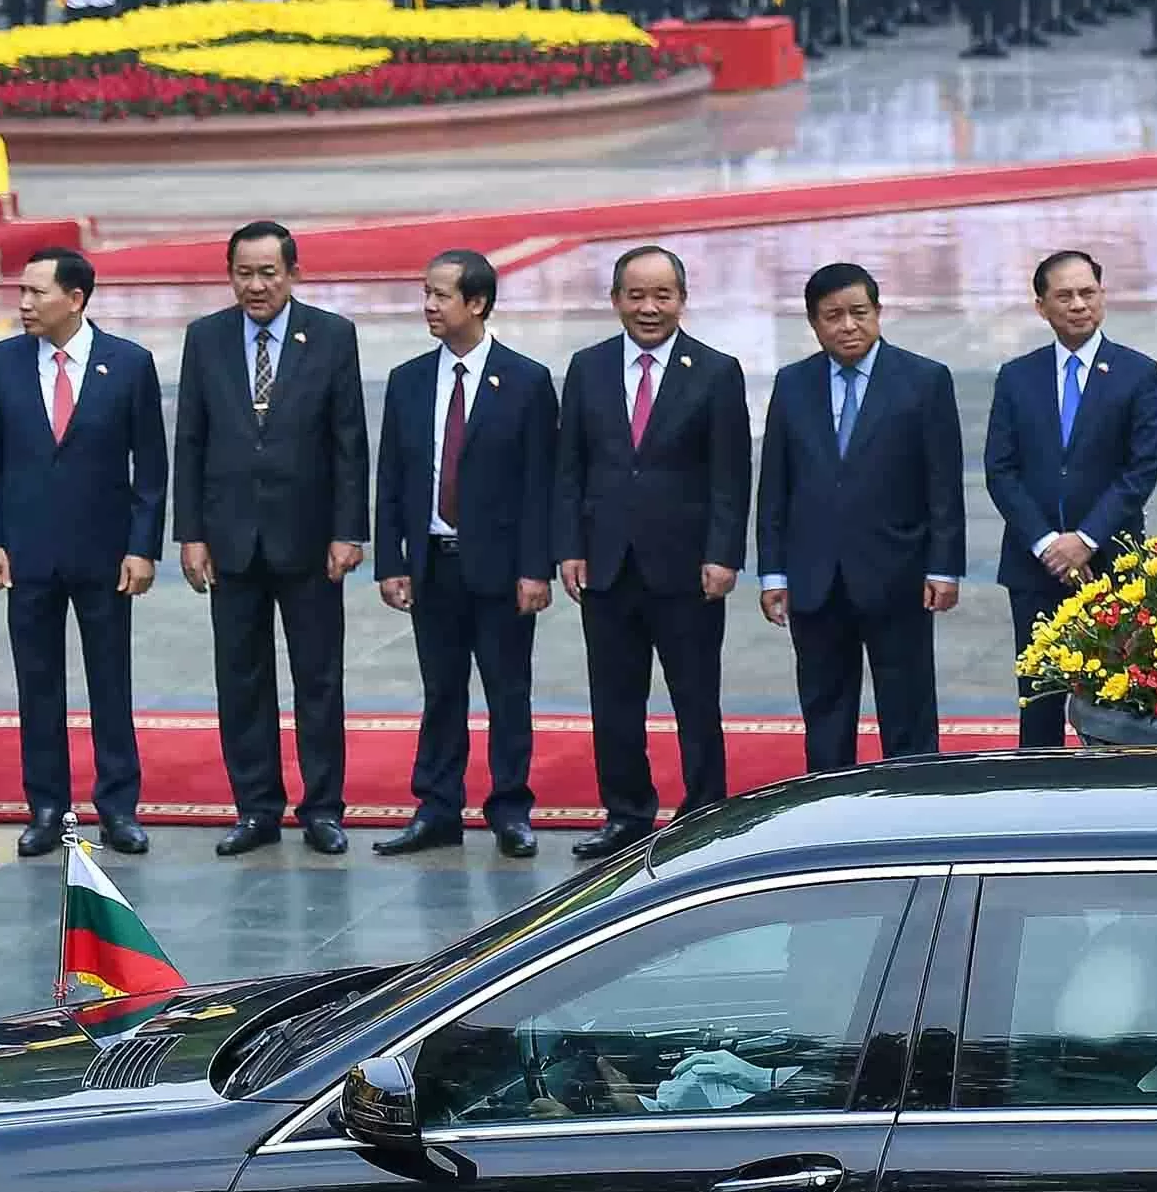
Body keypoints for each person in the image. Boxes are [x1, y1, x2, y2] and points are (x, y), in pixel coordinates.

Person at [176, 220, 368, 857]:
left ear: (293, 273)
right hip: (230, 539)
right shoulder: (206, 339)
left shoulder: (333, 336)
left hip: (310, 540)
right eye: (243, 273)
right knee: (241, 678)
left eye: (268, 273)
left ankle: (323, 809)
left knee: (319, 678)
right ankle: (256, 808)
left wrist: (348, 529)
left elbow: (348, 442)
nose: (255, 286)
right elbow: (192, 441)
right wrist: (191, 534)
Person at [554, 245, 749, 860]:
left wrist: (724, 555)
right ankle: (626, 813)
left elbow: (730, 475)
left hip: (686, 567)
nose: (649, 307)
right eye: (636, 295)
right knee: (613, 698)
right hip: (607, 563)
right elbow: (570, 469)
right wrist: (570, 548)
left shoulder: (717, 372)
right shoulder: (587, 368)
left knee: (695, 695)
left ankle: (705, 809)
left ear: (682, 299)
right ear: (615, 300)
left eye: (662, 295)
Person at [0, 246, 164, 858]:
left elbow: (151, 471)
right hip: (28, 555)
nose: (24, 304)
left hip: (105, 556)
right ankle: (48, 806)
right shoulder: (2, 364)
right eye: (21, 293)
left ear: (75, 299)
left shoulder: (128, 365)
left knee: (111, 683)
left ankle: (118, 807)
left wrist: (142, 548)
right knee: (38, 684)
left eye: (36, 293)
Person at [373, 249, 560, 858]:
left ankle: (510, 808)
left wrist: (538, 567)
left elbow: (541, 484)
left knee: (508, 690)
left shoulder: (527, 381)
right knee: (441, 690)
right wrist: (391, 561)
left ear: (476, 303)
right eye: (425, 293)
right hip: (432, 563)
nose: (428, 305)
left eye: (441, 295)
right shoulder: (407, 381)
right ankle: (437, 807)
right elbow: (393, 478)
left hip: (502, 569)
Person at [758, 262, 966, 773]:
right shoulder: (793, 384)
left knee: (908, 708)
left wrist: (944, 566)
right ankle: (828, 816)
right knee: (825, 709)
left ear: (878, 313)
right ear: (814, 323)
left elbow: (943, 484)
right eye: (833, 316)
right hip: (815, 578)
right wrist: (773, 572)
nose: (847, 326)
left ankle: (914, 807)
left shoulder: (924, 381)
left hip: (898, 573)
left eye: (858, 313)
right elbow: (775, 487)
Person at [986, 251, 1157, 750]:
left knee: (1116, 697)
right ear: (1041, 306)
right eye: (1064, 296)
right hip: (1034, 567)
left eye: (1088, 293)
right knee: (1039, 696)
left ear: (1103, 296)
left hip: (1111, 563)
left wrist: (1085, 540)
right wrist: (1048, 544)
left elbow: (1140, 472)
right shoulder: (1017, 377)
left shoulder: (1138, 373)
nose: (1078, 305)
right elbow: (1001, 472)